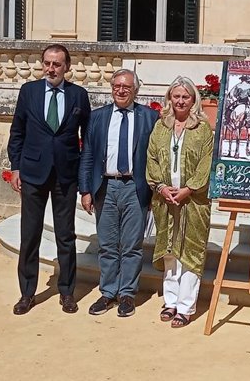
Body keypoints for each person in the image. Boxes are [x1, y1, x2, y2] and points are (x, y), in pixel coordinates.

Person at [7, 44, 91, 315]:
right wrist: (16, 167)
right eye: (47, 63)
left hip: (65, 176)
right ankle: (27, 293)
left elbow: (87, 140)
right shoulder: (28, 92)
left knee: (65, 236)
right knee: (29, 234)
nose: (51, 69)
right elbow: (17, 131)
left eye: (56, 64)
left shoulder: (79, 96)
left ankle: (67, 292)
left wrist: (84, 177)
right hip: (32, 174)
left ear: (67, 67)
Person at [78, 69, 159, 317]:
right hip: (105, 187)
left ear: (135, 90)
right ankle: (108, 292)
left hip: (135, 187)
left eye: (126, 87)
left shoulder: (149, 117)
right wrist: (85, 190)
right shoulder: (98, 117)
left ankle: (127, 294)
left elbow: (157, 157)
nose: (121, 91)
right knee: (108, 244)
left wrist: (155, 191)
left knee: (132, 245)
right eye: (116, 86)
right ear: (111, 88)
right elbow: (88, 154)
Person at [146, 76, 214, 328]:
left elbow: (207, 163)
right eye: (176, 96)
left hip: (193, 201)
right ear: (169, 98)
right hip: (164, 199)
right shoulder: (161, 126)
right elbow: (151, 157)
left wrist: (188, 189)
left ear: (194, 99)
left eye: (186, 96)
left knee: (190, 253)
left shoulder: (202, 129)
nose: (181, 101)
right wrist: (161, 186)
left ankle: (185, 307)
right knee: (170, 252)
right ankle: (170, 301)